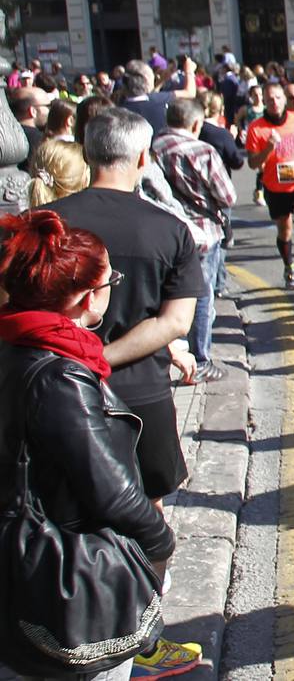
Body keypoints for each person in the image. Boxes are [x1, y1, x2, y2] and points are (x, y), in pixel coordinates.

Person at [42, 108, 208, 677]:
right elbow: (175, 324)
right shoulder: (168, 228)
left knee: (56, 511)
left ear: (87, 154)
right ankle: (141, 641)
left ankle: (59, 633)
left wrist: (75, 357)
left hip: (50, 387)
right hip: (138, 396)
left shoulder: (45, 223)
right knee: (146, 516)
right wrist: (102, 359)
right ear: (144, 159)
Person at [0, 210, 187, 681]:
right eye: (110, 280)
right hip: (64, 567)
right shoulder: (60, 373)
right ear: (86, 300)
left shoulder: (17, 342)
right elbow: (110, 490)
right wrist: (159, 540)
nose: (113, 287)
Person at [152, 99, 237, 384]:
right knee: (201, 296)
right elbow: (228, 197)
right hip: (202, 233)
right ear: (196, 124)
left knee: (168, 294)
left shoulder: (153, 147)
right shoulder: (203, 151)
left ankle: (170, 351)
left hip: (163, 232)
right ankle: (200, 359)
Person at [243, 80, 294, 292]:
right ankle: (289, 268)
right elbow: (253, 163)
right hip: (275, 186)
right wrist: (268, 148)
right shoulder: (257, 128)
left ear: (283, 99)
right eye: (270, 99)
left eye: (278, 98)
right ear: (263, 99)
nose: (274, 102)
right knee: (285, 230)